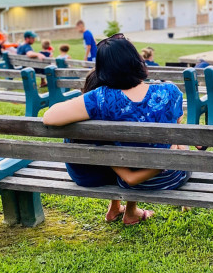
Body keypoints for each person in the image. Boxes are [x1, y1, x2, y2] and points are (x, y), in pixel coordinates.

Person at [43, 33, 190, 225]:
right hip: (168, 177)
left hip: (126, 177)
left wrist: (82, 101)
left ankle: (122, 209)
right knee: (179, 147)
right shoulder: (170, 91)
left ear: (103, 69)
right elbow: (177, 126)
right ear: (137, 60)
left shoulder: (100, 98)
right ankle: (132, 210)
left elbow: (49, 117)